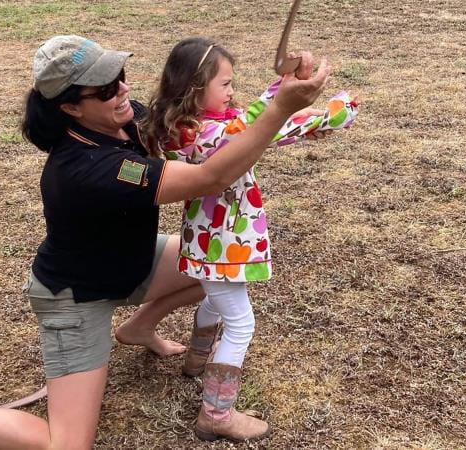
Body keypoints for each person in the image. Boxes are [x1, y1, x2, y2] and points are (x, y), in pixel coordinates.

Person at [0, 34, 330, 449]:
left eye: (119, 76)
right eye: (104, 90)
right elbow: (209, 177)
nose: (121, 90)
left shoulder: (125, 118)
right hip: (76, 296)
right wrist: (279, 110)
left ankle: (138, 326)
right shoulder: (89, 168)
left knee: (225, 263)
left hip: (132, 264)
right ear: (70, 107)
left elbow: (203, 126)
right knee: (65, 444)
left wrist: (284, 99)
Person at [142, 37, 358, 442]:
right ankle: (216, 413)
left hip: (207, 241)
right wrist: (336, 110)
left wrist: (283, 90)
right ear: (194, 89)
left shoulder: (184, 128)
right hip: (224, 241)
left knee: (213, 300)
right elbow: (261, 126)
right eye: (225, 84)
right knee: (241, 324)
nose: (231, 91)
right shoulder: (209, 134)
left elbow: (257, 122)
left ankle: (196, 360)